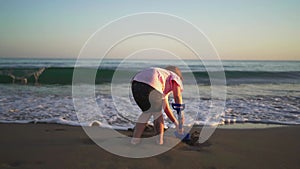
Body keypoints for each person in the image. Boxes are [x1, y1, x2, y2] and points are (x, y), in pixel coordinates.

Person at [131, 66, 185, 145]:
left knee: (147, 112)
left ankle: (135, 140)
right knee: (158, 114)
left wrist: (176, 123)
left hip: (136, 84)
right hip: (151, 85)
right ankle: (159, 141)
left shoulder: (162, 80)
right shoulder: (175, 77)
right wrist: (180, 114)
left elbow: (166, 108)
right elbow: (177, 96)